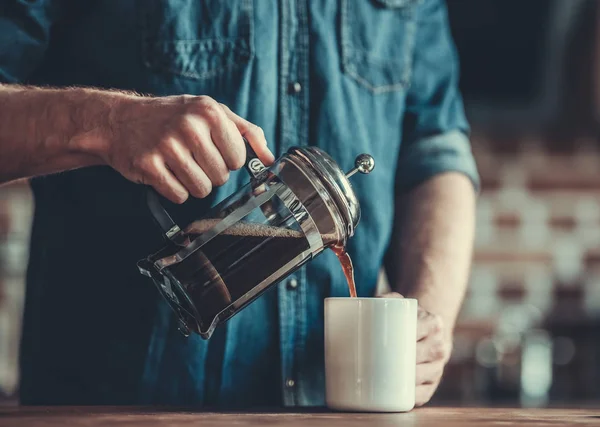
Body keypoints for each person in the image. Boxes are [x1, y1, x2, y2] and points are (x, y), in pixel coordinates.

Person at [0, 0, 478, 407]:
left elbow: (434, 154)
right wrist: (110, 121)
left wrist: (425, 322)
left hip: (330, 406)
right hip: (118, 400)